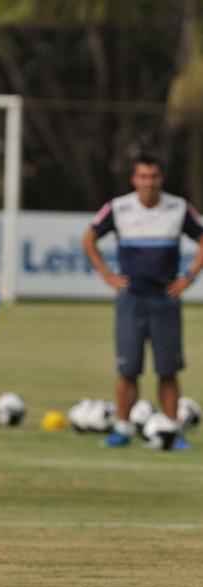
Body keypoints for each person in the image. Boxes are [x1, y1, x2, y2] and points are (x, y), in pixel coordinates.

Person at [82, 153, 203, 448]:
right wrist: (108, 275)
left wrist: (188, 277)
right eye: (143, 177)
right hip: (131, 299)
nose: (148, 183)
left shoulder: (178, 209)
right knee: (128, 368)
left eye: (153, 177)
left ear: (161, 179)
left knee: (168, 369)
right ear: (134, 179)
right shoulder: (119, 207)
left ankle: (172, 430)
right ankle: (122, 428)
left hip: (165, 298)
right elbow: (89, 238)